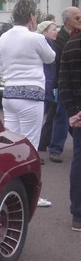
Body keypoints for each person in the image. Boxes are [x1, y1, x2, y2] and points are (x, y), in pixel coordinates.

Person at [0, 0, 55, 207]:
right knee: (30, 146)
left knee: (13, 143)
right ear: (31, 17)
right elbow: (50, 58)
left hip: (9, 94)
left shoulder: (3, 37)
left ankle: (9, 189)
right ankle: (32, 194)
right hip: (31, 95)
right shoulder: (36, 38)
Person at [47, 7, 81, 162]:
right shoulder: (60, 38)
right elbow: (59, 63)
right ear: (67, 21)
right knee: (61, 115)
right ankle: (55, 148)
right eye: (77, 18)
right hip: (65, 84)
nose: (80, 20)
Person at [58, 29, 81, 230]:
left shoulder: (71, 45)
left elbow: (63, 81)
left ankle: (78, 216)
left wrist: (74, 112)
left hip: (78, 115)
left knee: (79, 162)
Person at [36, 21, 58, 153]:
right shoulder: (45, 43)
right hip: (45, 84)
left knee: (51, 115)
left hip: (47, 83)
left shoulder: (50, 43)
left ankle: (42, 143)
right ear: (44, 32)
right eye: (53, 29)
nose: (56, 32)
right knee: (40, 118)